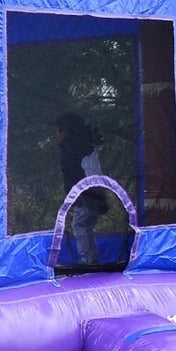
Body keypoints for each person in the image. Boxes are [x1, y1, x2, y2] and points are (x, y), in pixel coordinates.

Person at [54, 111, 105, 266]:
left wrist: (79, 198)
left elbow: (76, 176)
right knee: (87, 226)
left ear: (65, 131)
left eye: (58, 131)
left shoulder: (71, 151)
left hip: (85, 196)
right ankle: (92, 257)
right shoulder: (86, 147)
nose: (56, 135)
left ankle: (87, 259)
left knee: (80, 226)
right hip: (95, 194)